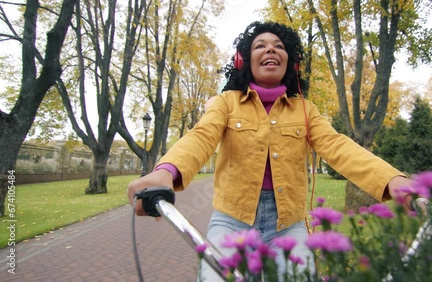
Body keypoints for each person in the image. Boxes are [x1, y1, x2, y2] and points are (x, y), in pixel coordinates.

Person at [127, 21, 414, 281]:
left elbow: (339, 146)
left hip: (289, 226)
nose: (270, 50)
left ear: (291, 63)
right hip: (231, 223)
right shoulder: (226, 103)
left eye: (279, 46)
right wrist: (165, 173)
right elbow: (200, 136)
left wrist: (392, 180)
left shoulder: (305, 109)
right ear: (244, 59)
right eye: (260, 45)